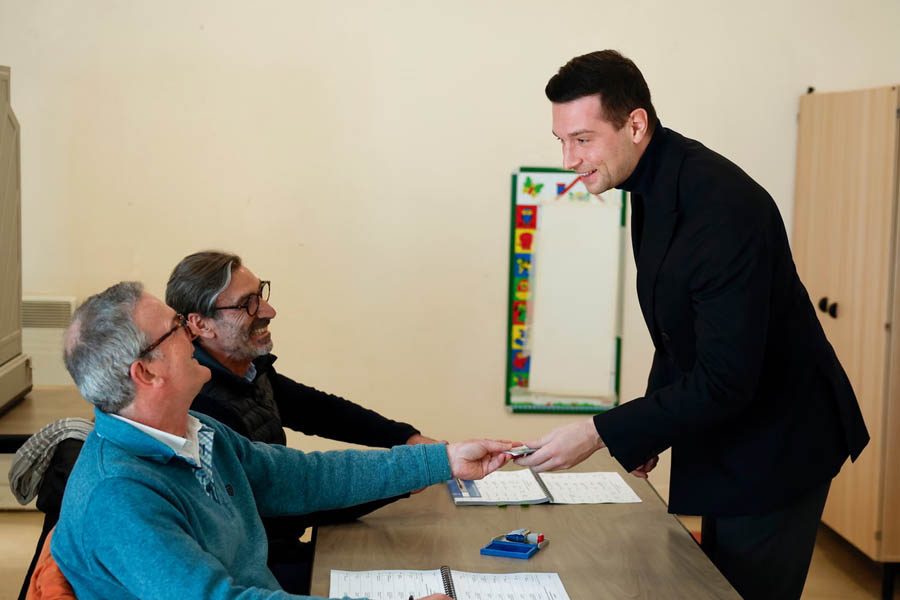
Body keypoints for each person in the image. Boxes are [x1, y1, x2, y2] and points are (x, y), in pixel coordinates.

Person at [515, 50, 869, 600]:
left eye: (581, 140)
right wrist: (651, 427)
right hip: (734, 426)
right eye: (561, 140)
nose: (568, 160)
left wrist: (599, 432)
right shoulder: (651, 182)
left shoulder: (722, 207)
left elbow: (725, 378)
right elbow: (678, 327)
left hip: (780, 439)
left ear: (636, 124)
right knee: (712, 578)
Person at [51, 282, 510, 599]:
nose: (193, 331)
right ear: (146, 371)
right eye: (177, 327)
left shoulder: (192, 430)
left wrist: (443, 459)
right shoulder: (120, 496)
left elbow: (305, 477)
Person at [165, 250, 437, 591]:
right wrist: (405, 476)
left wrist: (407, 438)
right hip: (261, 574)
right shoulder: (204, 407)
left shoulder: (248, 371)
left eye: (261, 294)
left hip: (281, 552)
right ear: (200, 324)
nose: (268, 311)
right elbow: (290, 498)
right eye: (247, 303)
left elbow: (322, 411)